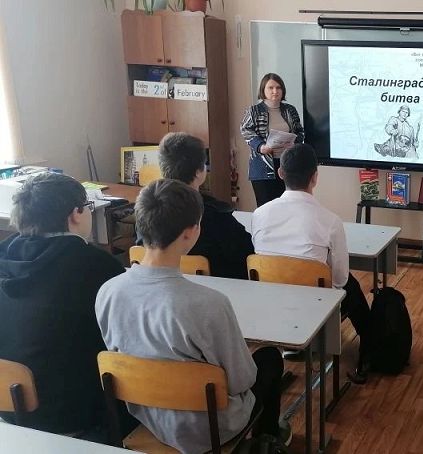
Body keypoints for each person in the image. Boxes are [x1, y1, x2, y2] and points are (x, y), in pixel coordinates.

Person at [96, 179, 288, 453]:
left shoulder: (108, 291)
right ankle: (265, 441)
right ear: (190, 232)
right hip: (209, 428)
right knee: (269, 359)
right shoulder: (210, 304)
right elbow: (243, 380)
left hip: (148, 416)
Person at [0, 172, 133, 440]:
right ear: (76, 214)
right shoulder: (96, 265)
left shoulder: (5, 255)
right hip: (76, 413)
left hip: (11, 409)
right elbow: (129, 334)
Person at [251, 143, 373, 384]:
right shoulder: (330, 221)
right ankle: (369, 348)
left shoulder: (259, 214)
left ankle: (291, 345)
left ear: (280, 173)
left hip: (271, 307)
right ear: (315, 177)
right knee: (351, 285)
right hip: (314, 309)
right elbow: (340, 279)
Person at [158, 132, 254, 279]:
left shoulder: (148, 214)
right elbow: (249, 255)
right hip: (219, 288)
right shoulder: (216, 216)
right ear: (199, 172)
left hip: (163, 286)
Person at [241, 73, 304, 207]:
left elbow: (300, 131)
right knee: (266, 207)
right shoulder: (254, 111)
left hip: (286, 165)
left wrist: (294, 143)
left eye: (278, 87)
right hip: (262, 168)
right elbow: (245, 130)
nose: (275, 91)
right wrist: (260, 146)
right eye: (270, 88)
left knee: (286, 206)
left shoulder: (290, 110)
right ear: (263, 90)